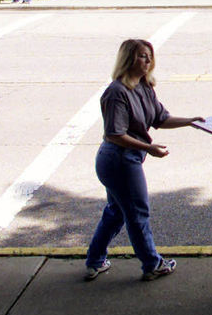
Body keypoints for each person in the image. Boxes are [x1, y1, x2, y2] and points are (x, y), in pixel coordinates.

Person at [84, 39, 203, 282]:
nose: (147, 61)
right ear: (128, 59)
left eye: (149, 56)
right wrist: (149, 147)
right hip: (118, 160)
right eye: (141, 56)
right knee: (138, 212)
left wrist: (191, 120)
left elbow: (160, 118)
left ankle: (95, 261)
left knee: (116, 211)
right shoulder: (116, 92)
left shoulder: (145, 86)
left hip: (127, 158)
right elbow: (115, 134)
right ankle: (152, 264)